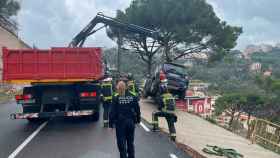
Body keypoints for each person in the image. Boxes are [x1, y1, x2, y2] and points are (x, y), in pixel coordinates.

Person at [109, 81, 141, 158]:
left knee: (121, 143)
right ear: (126, 87)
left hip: (120, 123)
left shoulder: (116, 96)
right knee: (130, 142)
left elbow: (112, 112)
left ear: (118, 87)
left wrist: (110, 124)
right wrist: (138, 120)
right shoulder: (133, 95)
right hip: (130, 122)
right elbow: (137, 109)